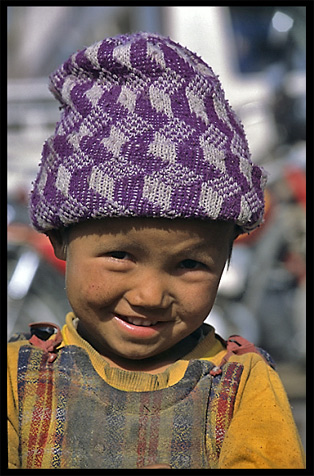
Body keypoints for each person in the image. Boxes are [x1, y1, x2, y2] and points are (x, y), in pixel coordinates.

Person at [7, 32, 305, 470]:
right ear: (60, 240)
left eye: (190, 264)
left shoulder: (242, 387)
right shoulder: (20, 380)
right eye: (121, 256)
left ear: (225, 261)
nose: (149, 295)